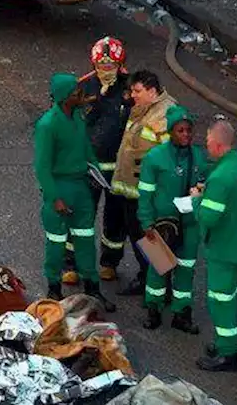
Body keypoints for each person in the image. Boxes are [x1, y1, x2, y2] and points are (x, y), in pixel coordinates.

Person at [34, 72, 116, 311]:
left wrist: (97, 173)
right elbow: (42, 167)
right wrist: (54, 198)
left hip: (81, 187)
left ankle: (92, 289)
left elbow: (87, 150)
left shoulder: (78, 118)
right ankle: (54, 289)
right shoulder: (48, 125)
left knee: (85, 239)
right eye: (75, 93)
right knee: (56, 242)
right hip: (60, 187)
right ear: (63, 98)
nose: (81, 95)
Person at [193, 120, 237, 372]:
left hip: (224, 249)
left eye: (208, 142)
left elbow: (209, 217)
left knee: (221, 301)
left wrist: (196, 201)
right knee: (235, 298)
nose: (206, 146)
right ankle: (224, 342)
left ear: (219, 145)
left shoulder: (221, 177)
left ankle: (228, 354)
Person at [64, 36, 132, 286]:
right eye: (102, 66)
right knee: (81, 217)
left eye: (111, 66)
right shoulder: (83, 88)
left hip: (120, 168)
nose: (106, 71)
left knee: (116, 219)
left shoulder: (130, 89)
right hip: (89, 168)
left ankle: (109, 262)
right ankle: (70, 264)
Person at [137, 105, 209, 333]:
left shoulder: (198, 156)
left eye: (189, 130)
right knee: (158, 268)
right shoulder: (154, 158)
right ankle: (153, 310)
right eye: (181, 131)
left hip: (189, 225)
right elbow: (145, 193)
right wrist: (147, 223)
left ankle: (182, 313)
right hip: (160, 224)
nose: (186, 135)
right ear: (171, 132)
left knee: (186, 269)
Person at [109, 70, 178, 295]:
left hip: (148, 194)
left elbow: (170, 158)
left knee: (149, 239)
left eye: (137, 91)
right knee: (141, 237)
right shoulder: (143, 110)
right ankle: (150, 277)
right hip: (134, 191)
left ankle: (159, 283)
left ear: (152, 90)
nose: (133, 95)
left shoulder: (164, 115)